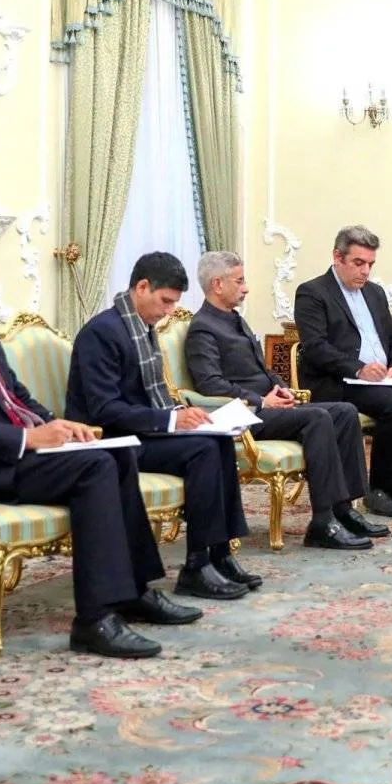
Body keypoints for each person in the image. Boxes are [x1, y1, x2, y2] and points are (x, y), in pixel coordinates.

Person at [0, 243, 197, 660]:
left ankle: (134, 591)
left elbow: (17, 396)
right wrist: (28, 439)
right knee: (95, 467)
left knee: (117, 454)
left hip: (11, 457)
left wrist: (57, 424)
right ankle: (94, 619)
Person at [65, 252, 259, 600]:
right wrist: (169, 419)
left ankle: (220, 554)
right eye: (166, 301)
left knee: (217, 441)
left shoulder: (139, 327)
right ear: (142, 287)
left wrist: (182, 413)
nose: (170, 311)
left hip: (141, 431)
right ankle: (197, 566)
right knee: (202, 449)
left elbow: (149, 395)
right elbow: (104, 409)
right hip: (112, 440)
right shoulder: (102, 332)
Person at [185, 251, 386, 551]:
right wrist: (260, 400)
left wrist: (281, 387)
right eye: (239, 281)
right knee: (318, 417)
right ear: (217, 284)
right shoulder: (203, 327)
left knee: (345, 412)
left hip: (269, 406)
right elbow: (210, 384)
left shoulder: (235, 319)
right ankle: (322, 522)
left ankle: (344, 509)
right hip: (245, 414)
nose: (246, 288)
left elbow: (261, 370)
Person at [293, 226, 392, 518]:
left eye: (370, 264)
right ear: (337, 257)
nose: (365, 271)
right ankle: (377, 490)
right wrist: (358, 369)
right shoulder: (312, 293)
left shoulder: (375, 293)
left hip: (382, 379)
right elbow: (316, 348)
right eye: (358, 263)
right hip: (339, 381)